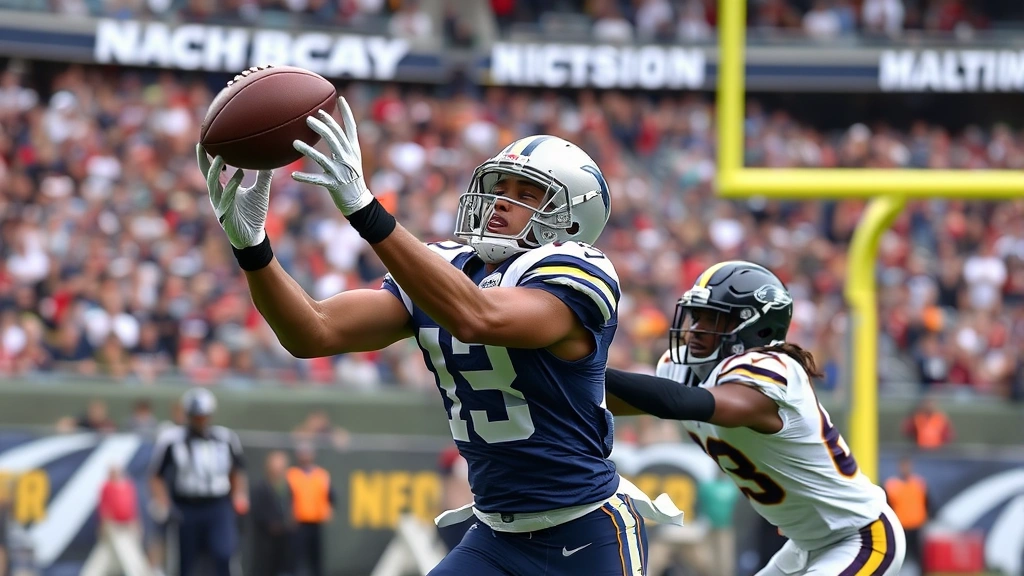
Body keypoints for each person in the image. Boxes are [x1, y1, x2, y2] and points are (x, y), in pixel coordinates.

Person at [196, 98, 682, 576]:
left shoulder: (578, 269)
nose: (502, 202)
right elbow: (312, 332)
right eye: (501, 187)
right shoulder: (446, 266)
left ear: (571, 218)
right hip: (494, 537)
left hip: (585, 531)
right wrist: (252, 247)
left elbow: (479, 318)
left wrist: (367, 210)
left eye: (527, 193)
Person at [604, 261, 906, 576]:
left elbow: (686, 402)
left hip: (860, 537)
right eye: (696, 316)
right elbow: (609, 399)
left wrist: (581, 369)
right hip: (804, 543)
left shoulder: (773, 373)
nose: (694, 329)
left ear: (755, 328)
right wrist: (559, 384)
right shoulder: (682, 368)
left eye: (712, 319)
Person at [148, 387, 248, 576]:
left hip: (219, 505)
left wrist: (239, 495)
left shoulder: (225, 438)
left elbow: (238, 470)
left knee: (224, 553)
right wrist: (163, 502)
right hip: (187, 507)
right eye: (196, 416)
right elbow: (156, 475)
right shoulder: (172, 440)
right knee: (186, 561)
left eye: (203, 416)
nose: (200, 420)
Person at [81, 466, 150, 576]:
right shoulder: (106, 487)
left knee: (126, 553)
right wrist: (105, 525)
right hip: (114, 527)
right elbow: (104, 507)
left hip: (127, 526)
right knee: (126, 554)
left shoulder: (128, 485)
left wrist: (136, 523)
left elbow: (132, 506)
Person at [286, 443, 334, 576]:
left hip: (316, 521)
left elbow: (330, 495)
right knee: (296, 559)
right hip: (298, 523)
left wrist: (328, 510)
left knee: (316, 560)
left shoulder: (322, 475)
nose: (305, 456)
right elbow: (287, 497)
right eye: (303, 453)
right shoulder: (292, 474)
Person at [251, 451, 295, 576]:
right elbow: (257, 511)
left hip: (285, 542)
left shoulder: (288, 488)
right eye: (276, 467)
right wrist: (270, 524)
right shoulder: (260, 488)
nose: (279, 471)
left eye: (282, 467)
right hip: (266, 543)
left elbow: (290, 507)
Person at [884, 456, 930, 570]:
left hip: (916, 525)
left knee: (919, 556)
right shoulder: (891, 485)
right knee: (898, 555)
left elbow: (927, 502)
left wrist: (928, 517)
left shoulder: (919, 483)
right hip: (900, 527)